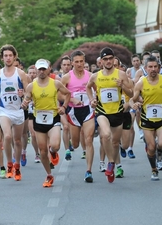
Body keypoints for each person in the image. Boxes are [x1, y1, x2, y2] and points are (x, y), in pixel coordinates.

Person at [86, 47, 133, 183]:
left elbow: (131, 94)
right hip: (102, 111)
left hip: (117, 112)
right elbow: (88, 87)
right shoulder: (95, 76)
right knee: (105, 135)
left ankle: (113, 163)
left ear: (113, 59)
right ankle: (111, 162)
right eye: (105, 59)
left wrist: (122, 86)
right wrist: (91, 99)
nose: (108, 61)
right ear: (101, 61)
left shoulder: (121, 74)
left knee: (115, 142)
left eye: (110, 58)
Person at [21, 59, 70, 188]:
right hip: (39, 120)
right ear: (36, 70)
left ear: (48, 69)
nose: (42, 72)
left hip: (53, 118)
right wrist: (24, 104)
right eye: (39, 69)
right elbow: (26, 99)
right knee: (42, 151)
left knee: (55, 145)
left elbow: (68, 94)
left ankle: (53, 151)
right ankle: (49, 175)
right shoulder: (31, 86)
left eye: (44, 69)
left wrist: (64, 107)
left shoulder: (56, 84)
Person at [130, 56, 162, 181]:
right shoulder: (140, 83)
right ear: (145, 68)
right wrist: (134, 104)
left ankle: (159, 150)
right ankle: (154, 169)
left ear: (159, 68)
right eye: (150, 67)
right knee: (150, 147)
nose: (153, 69)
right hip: (147, 120)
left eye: (155, 66)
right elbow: (132, 99)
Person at [0, 45, 29, 181]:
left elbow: (28, 92)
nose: (8, 58)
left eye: (10, 55)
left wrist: (24, 95)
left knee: (18, 141)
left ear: (14, 57)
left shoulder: (21, 74)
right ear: (2, 58)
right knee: (7, 137)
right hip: (4, 110)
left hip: (18, 110)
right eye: (5, 55)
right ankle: (9, 164)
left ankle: (17, 165)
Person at [61, 50, 96, 182]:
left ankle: (88, 171)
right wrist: (71, 100)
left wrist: (93, 100)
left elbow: (97, 92)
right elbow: (59, 94)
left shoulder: (91, 76)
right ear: (72, 63)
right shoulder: (67, 77)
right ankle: (71, 144)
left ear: (84, 61)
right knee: (75, 144)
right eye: (76, 62)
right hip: (74, 113)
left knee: (88, 140)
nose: (79, 64)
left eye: (81, 61)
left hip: (88, 111)